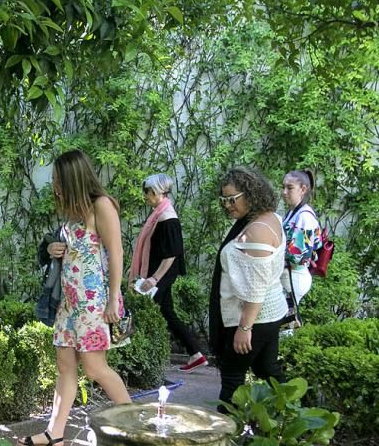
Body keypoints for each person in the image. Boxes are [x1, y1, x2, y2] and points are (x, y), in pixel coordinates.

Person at [17, 149, 132, 446]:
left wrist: (113, 299)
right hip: (68, 305)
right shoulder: (75, 213)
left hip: (94, 304)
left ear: (72, 178)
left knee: (95, 369)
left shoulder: (101, 206)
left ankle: (135, 425)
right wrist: (56, 247)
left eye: (57, 179)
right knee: (65, 367)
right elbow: (78, 251)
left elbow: (116, 253)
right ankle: (54, 435)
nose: (54, 185)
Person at [210, 166, 289, 408]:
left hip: (254, 317)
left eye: (233, 199)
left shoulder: (256, 231)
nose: (228, 205)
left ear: (251, 193)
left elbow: (256, 288)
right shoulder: (269, 217)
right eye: (224, 200)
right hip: (270, 312)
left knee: (232, 376)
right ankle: (297, 415)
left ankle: (223, 435)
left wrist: (244, 328)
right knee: (268, 369)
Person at [130, 173, 208, 372]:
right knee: (166, 312)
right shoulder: (159, 214)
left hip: (162, 274)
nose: (145, 196)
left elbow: (172, 254)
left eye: (147, 192)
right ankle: (196, 354)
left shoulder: (167, 217)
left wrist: (154, 279)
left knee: (148, 312)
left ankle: (144, 360)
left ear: (155, 192)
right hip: (159, 274)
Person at [280, 168, 323, 318]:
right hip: (291, 275)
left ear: (303, 189)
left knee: (286, 325)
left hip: (294, 276)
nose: (284, 192)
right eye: (283, 187)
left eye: (289, 188)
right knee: (286, 324)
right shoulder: (295, 212)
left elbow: (298, 256)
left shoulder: (304, 217)